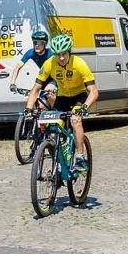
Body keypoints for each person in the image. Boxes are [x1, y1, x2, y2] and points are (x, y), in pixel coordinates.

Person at [23, 33, 97, 169]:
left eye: (64, 54)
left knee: (75, 120)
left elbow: (93, 92)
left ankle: (80, 157)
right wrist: (28, 108)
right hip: (62, 97)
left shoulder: (79, 64)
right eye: (57, 54)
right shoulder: (49, 64)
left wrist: (84, 107)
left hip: (79, 96)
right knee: (51, 127)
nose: (61, 58)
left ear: (69, 52)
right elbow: (36, 89)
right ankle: (58, 160)